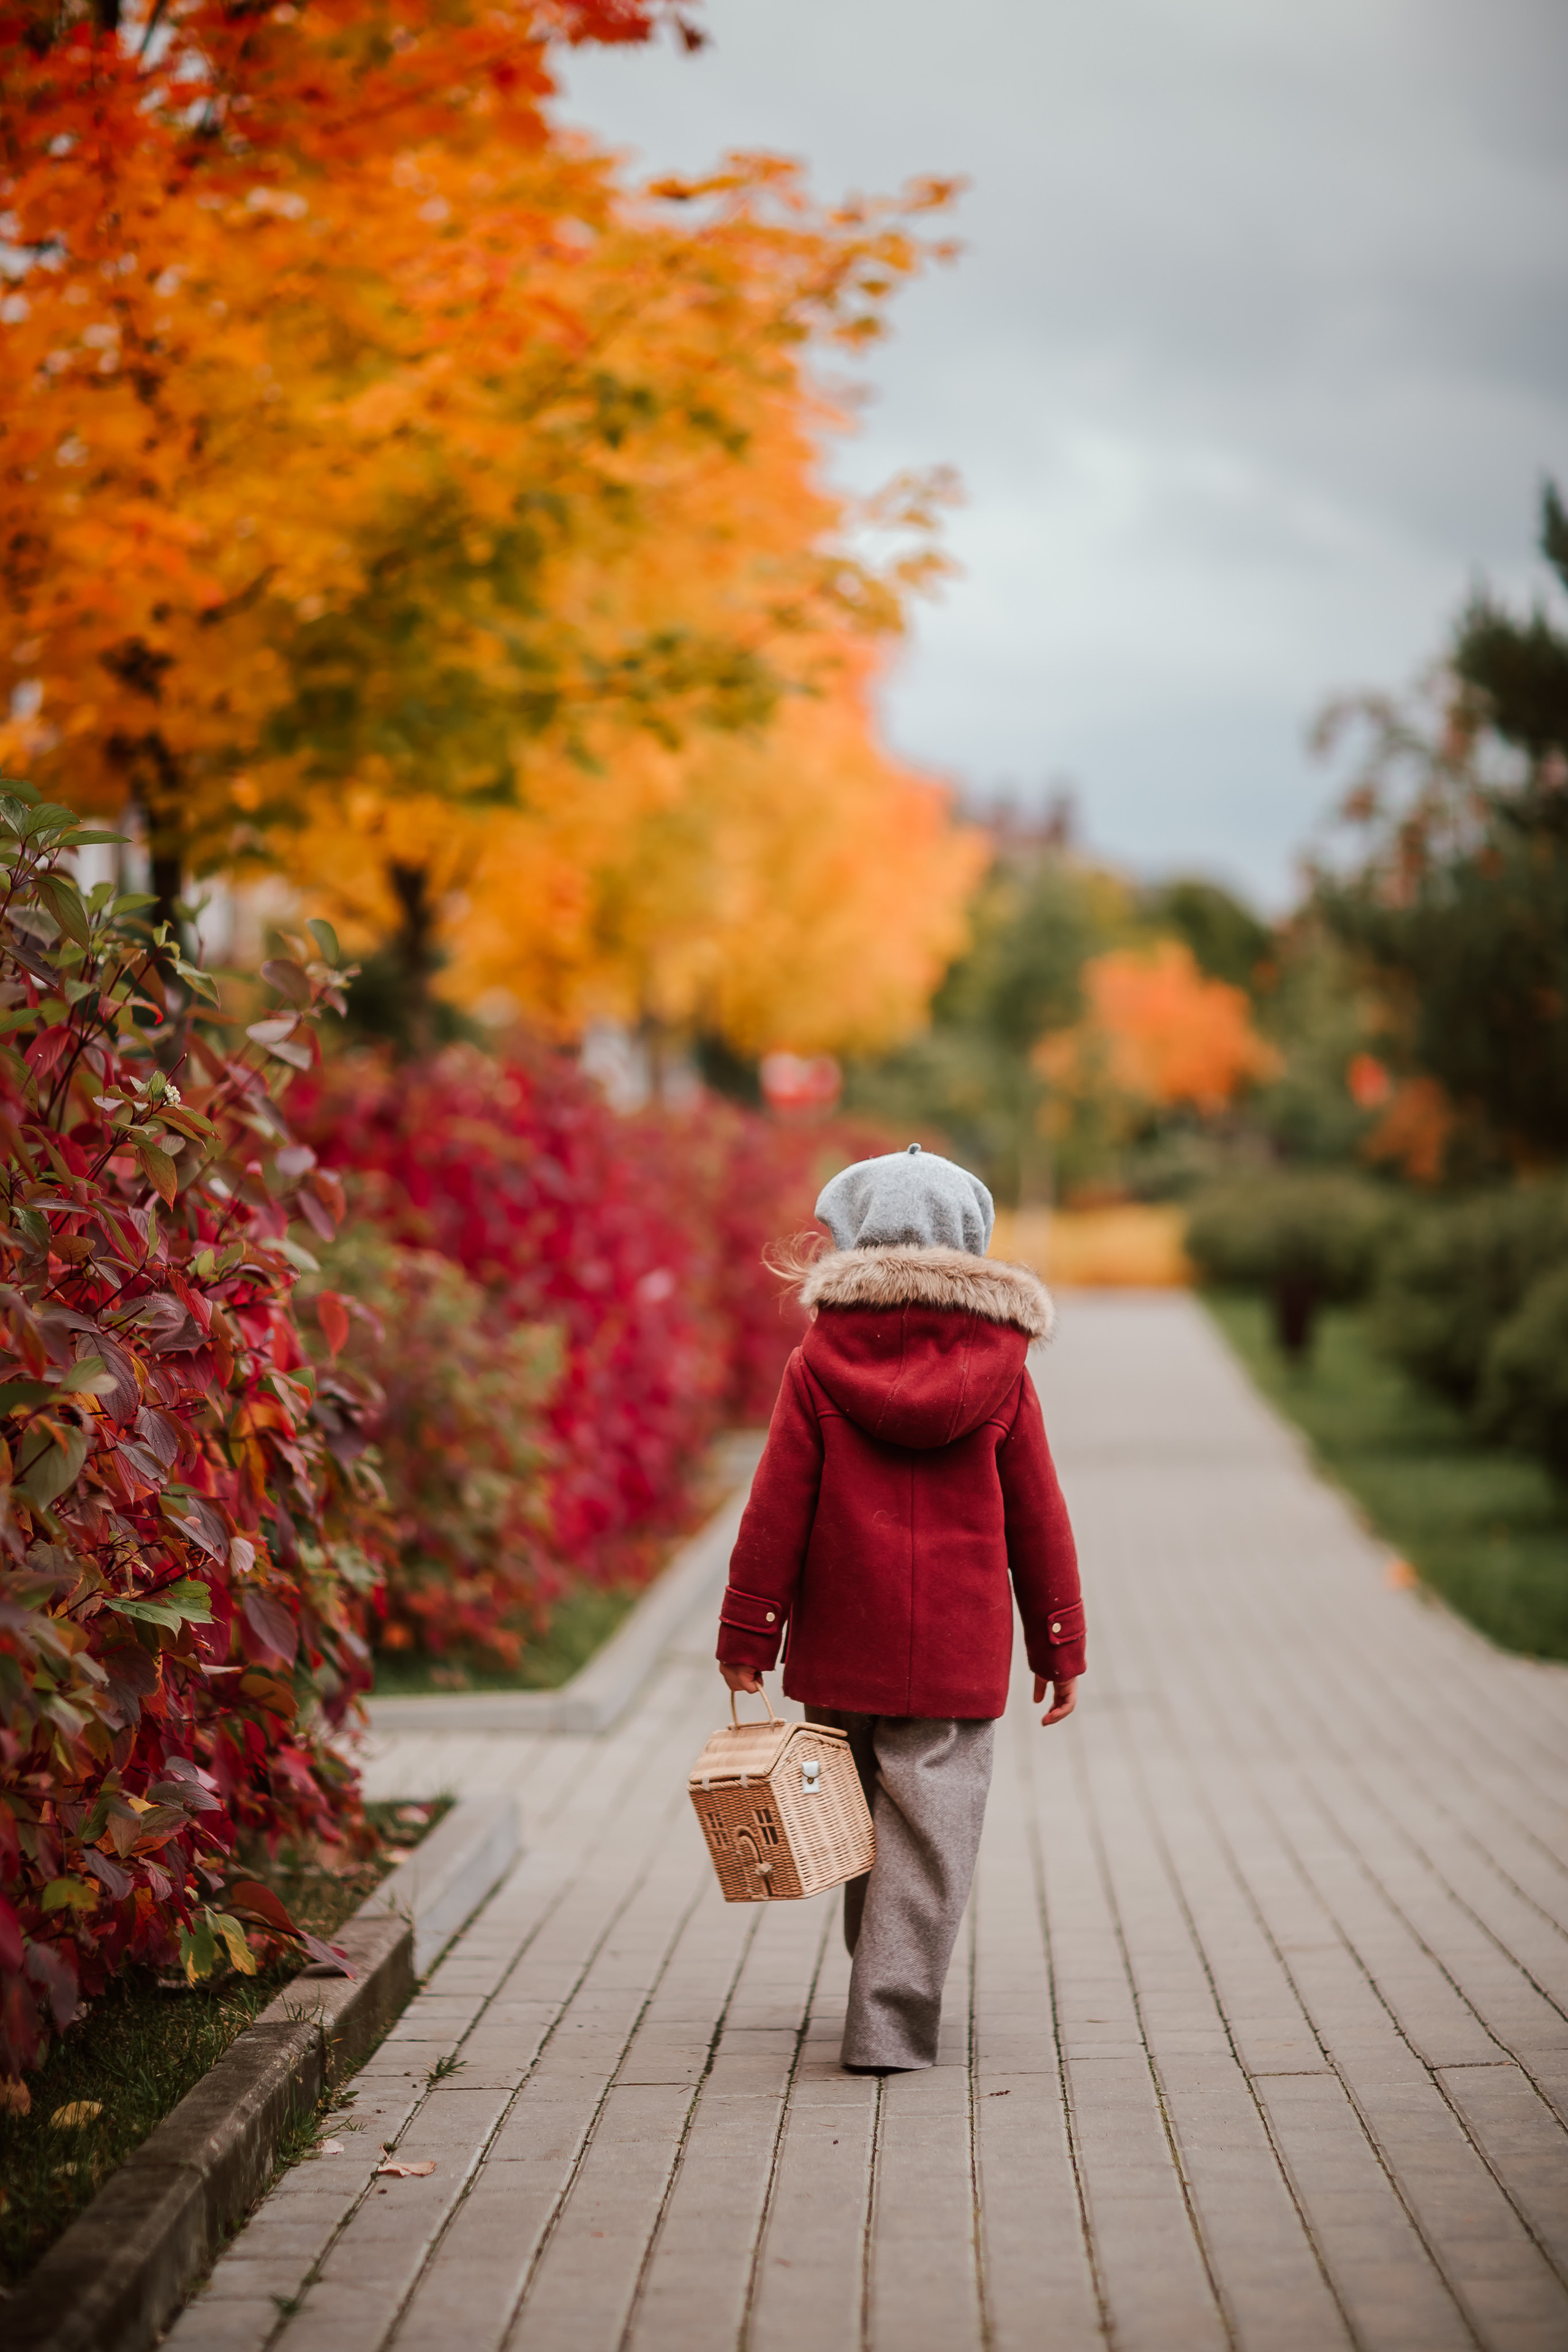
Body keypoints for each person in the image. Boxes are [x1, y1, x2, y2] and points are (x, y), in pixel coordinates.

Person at [715, 1142, 1084, 2073]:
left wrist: (749, 1632)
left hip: (844, 1643)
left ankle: (877, 1985)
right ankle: (888, 2013)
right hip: (957, 1653)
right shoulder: (1005, 1366)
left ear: (850, 1234)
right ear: (973, 1239)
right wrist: (1057, 1644)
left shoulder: (819, 1360)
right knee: (930, 1836)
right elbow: (1040, 1513)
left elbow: (776, 1505)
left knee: (863, 1824)